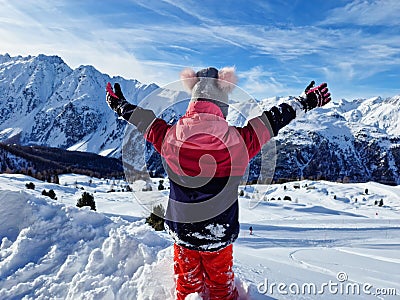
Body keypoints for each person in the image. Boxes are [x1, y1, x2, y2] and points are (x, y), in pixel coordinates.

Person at [105, 66, 331, 300]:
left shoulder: (169, 136)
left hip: (183, 232)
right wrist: (304, 102)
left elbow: (144, 121)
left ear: (193, 101)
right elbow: (272, 120)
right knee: (221, 289)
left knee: (186, 285)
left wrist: (120, 105)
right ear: (222, 105)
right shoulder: (239, 141)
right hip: (219, 235)